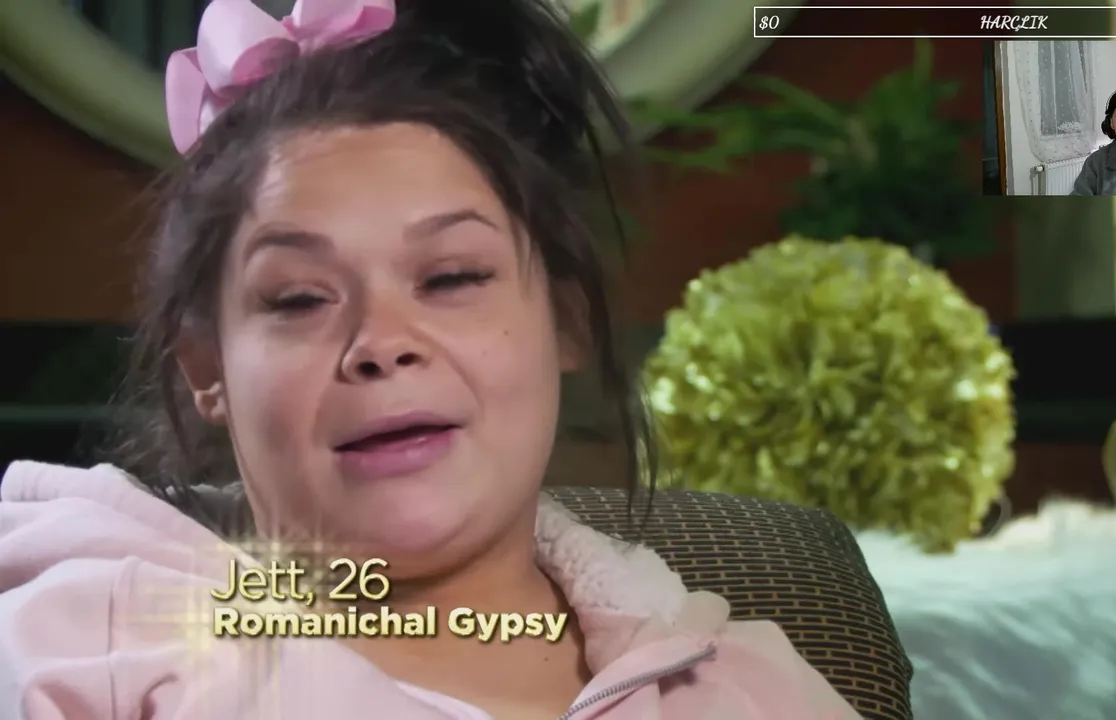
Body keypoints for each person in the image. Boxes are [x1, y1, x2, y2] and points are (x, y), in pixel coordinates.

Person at [0, 0, 861, 718]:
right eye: (298, 299)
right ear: (206, 369)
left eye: (451, 278)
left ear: (565, 321)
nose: (381, 344)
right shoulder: (77, 648)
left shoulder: (747, 691)